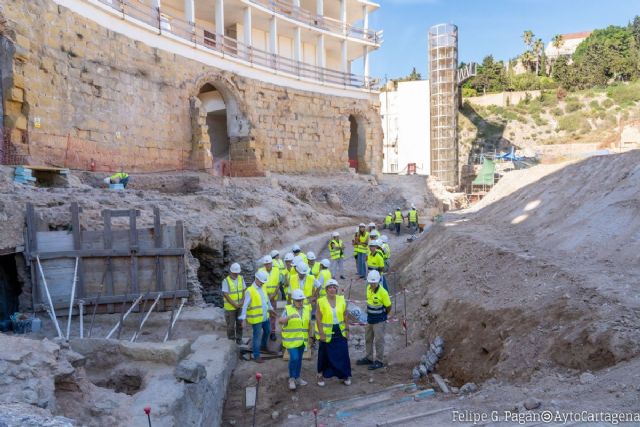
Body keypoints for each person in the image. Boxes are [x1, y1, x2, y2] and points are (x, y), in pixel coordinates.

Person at [315, 279, 351, 386]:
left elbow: (345, 315)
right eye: (330, 287)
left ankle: (345, 375)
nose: (332, 289)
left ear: (337, 289)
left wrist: (348, 329)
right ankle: (320, 375)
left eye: (334, 287)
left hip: (340, 331)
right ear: (326, 289)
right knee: (324, 354)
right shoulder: (321, 301)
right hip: (326, 333)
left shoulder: (341, 299)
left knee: (343, 353)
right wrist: (321, 332)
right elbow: (318, 318)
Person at [238, 270, 276, 363]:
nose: (263, 283)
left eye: (263, 282)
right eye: (261, 282)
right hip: (256, 319)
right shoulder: (249, 291)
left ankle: (263, 346)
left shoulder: (263, 287)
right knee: (257, 336)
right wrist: (243, 319)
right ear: (256, 279)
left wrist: (271, 309)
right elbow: (245, 305)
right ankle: (256, 356)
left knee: (268, 331)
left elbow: (266, 300)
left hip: (265, 316)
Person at [357, 270, 391, 371]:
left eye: (374, 282)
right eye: (371, 282)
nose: (372, 284)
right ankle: (369, 358)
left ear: (378, 281)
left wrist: (383, 315)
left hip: (379, 320)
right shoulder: (368, 288)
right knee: (368, 338)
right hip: (370, 318)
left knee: (379, 340)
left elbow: (388, 306)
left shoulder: (383, 292)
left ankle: (379, 361)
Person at [279, 289, 312, 390]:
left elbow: (309, 324)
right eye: (298, 300)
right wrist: (289, 317)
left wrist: (311, 337)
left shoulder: (307, 309)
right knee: (294, 358)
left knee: (299, 360)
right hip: (291, 341)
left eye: (301, 300)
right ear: (293, 300)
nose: (300, 302)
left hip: (302, 340)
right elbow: (280, 321)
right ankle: (292, 379)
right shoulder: (288, 309)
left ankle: (297, 377)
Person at [258, 255, 281, 341]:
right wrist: (267, 296)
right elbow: (259, 285)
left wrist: (274, 294)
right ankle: (265, 331)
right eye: (266, 264)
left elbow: (278, 283)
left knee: (272, 315)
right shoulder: (260, 271)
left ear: (271, 263)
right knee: (264, 314)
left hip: (273, 297)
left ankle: (273, 332)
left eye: (269, 264)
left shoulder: (276, 270)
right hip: (264, 297)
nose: (268, 265)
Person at [221, 263, 245, 344]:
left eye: (237, 273)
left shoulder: (241, 278)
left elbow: (244, 290)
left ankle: (239, 338)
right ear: (231, 272)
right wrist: (234, 304)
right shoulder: (226, 281)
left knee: (239, 324)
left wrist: (242, 301)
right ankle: (231, 340)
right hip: (230, 308)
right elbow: (226, 294)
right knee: (231, 326)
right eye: (235, 273)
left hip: (240, 306)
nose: (236, 274)